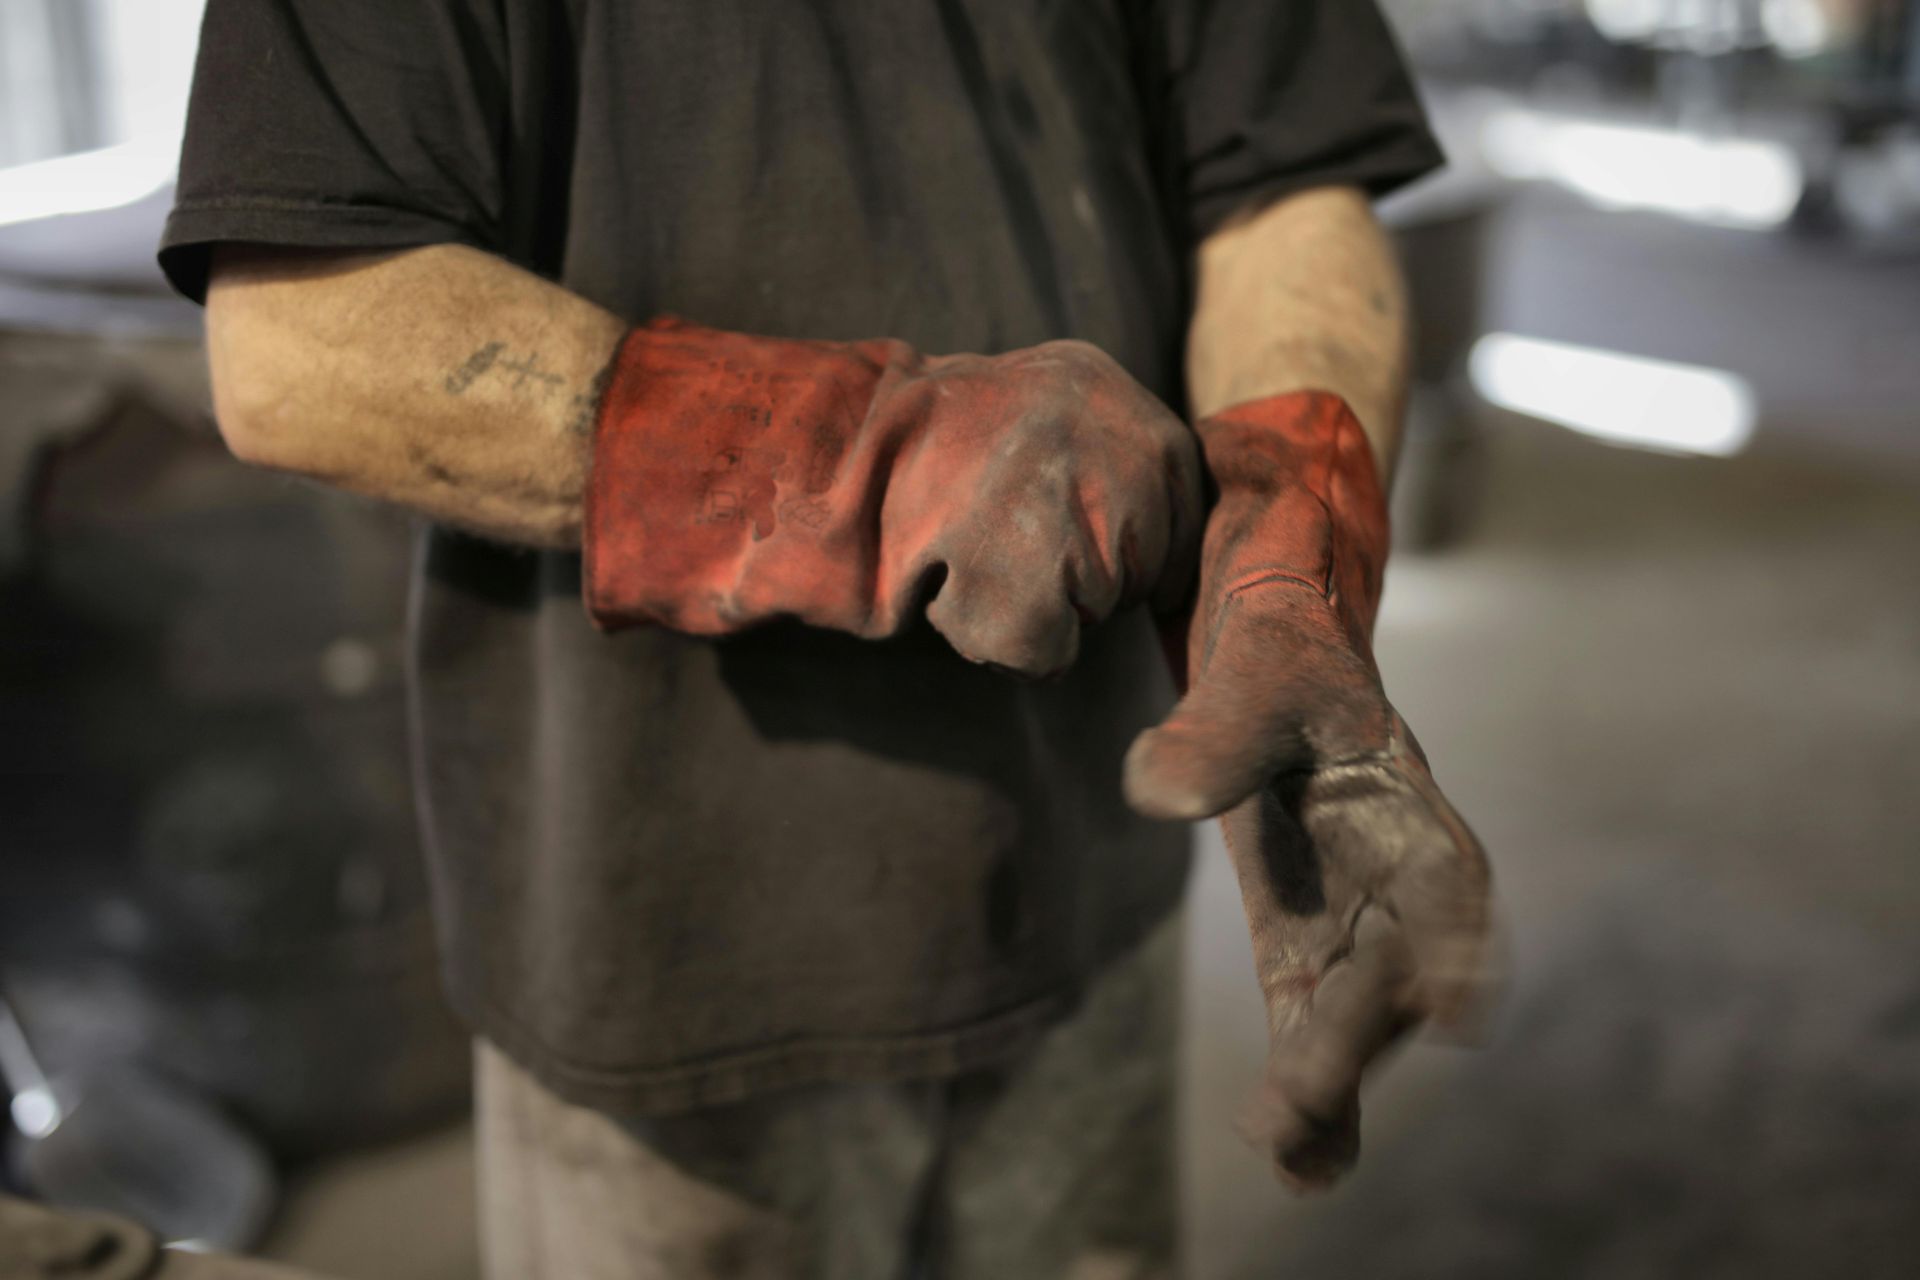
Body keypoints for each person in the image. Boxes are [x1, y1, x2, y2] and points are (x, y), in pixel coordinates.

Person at [160, 2, 1495, 1275]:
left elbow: (1283, 194)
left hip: (1091, 876)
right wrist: (879, 456)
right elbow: (302, 334)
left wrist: (1285, 583)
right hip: (676, 940)